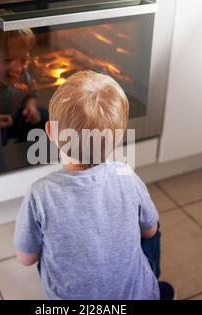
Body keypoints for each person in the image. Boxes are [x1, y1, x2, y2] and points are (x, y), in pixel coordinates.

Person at [13, 70, 175, 299]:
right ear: (117, 138)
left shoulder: (40, 193)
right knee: (152, 229)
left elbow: (26, 258)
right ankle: (153, 289)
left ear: (50, 131)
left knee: (45, 251)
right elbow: (150, 229)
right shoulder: (126, 175)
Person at [0, 25, 48, 144]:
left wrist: (30, 107)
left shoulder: (23, 76)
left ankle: (30, 150)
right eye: (8, 60)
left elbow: (31, 94)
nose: (17, 68)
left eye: (23, 61)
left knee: (44, 117)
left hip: (17, 116)